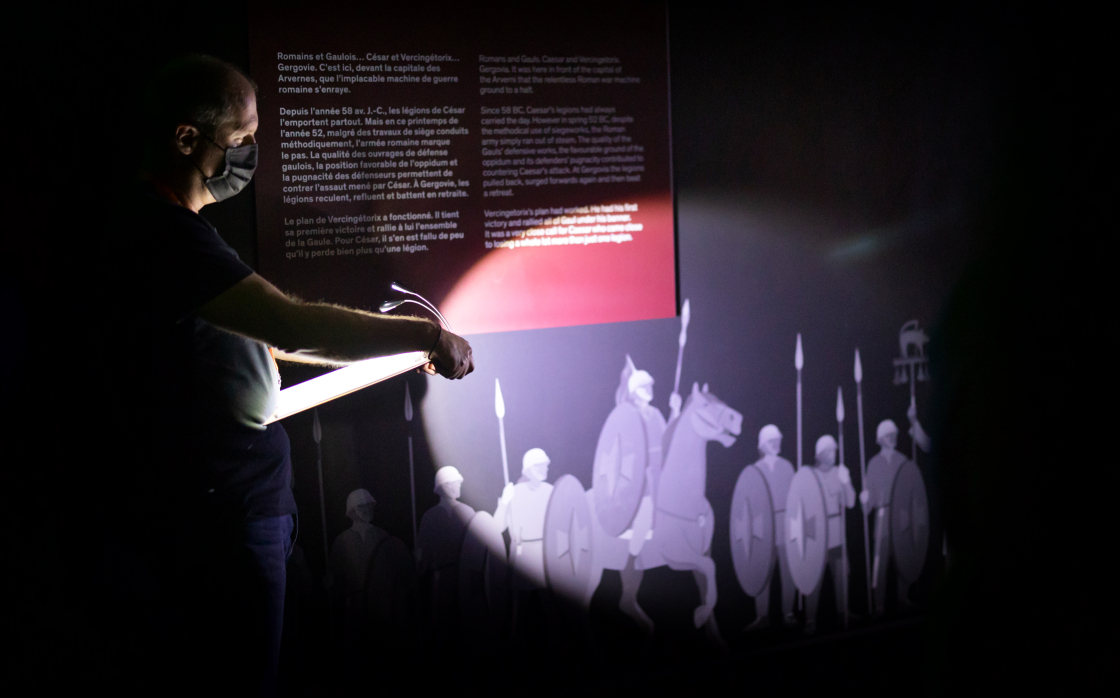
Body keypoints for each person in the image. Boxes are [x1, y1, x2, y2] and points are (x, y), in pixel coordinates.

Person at [102, 54, 473, 696]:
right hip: (222, 511)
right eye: (241, 140)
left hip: (230, 503)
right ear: (187, 139)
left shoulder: (170, 229)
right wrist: (424, 335)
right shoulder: (163, 234)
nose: (249, 154)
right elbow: (294, 326)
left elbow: (262, 336)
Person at [745, 424, 797, 630]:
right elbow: (750, 502)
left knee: (788, 573)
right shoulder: (755, 470)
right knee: (763, 574)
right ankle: (762, 616)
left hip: (785, 527)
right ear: (763, 444)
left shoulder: (787, 466)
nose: (776, 443)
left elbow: (795, 496)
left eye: (778, 440)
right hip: (764, 530)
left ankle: (788, 613)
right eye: (772, 441)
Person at [415, 466, 475, 646]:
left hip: (464, 576)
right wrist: (419, 561)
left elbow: (475, 548)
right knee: (441, 625)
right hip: (441, 579)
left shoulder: (468, 512)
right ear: (446, 486)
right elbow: (423, 554)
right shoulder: (430, 517)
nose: (459, 486)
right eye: (456, 483)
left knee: (466, 624)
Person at [804, 435, 856, 634]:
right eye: (829, 451)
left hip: (837, 535)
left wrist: (846, 481)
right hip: (817, 536)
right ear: (819, 455)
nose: (833, 454)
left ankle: (844, 612)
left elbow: (850, 503)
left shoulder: (839, 473)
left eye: (834, 450)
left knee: (842, 577)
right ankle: (810, 621)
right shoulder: (810, 475)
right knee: (813, 581)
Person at [860, 419, 912, 615]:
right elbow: (868, 505)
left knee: (904, 560)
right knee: (880, 564)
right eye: (890, 435)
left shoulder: (903, 460)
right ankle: (879, 605)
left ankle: (903, 598)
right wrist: (865, 499)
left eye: (895, 434)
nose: (894, 437)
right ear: (881, 439)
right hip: (882, 517)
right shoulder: (873, 464)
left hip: (900, 516)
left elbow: (911, 491)